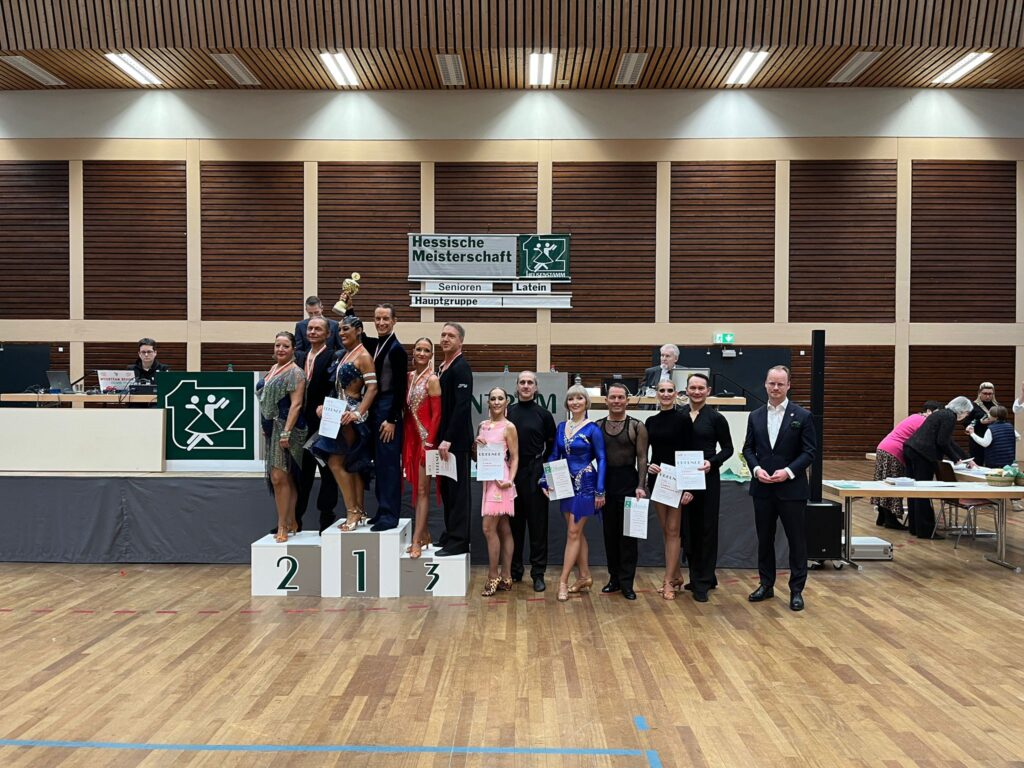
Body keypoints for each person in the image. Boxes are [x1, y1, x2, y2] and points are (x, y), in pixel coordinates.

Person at [742, 365, 817, 612]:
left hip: (792, 489)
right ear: (765, 384)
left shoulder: (803, 416)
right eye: (771, 383)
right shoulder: (755, 416)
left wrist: (788, 471)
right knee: (765, 539)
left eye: (780, 384)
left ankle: (796, 590)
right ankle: (766, 585)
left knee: (797, 540)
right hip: (762, 489)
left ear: (788, 386)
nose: (775, 388)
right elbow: (748, 449)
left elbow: (809, 452)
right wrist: (756, 470)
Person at [311, 315, 377, 531]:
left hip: (350, 415)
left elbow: (372, 389)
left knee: (336, 462)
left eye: (346, 329)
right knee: (351, 463)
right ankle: (359, 510)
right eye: (339, 329)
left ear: (358, 330)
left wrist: (358, 413)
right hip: (337, 411)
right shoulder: (344, 354)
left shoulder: (364, 356)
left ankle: (352, 511)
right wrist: (324, 406)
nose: (341, 333)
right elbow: (336, 388)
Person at [542, 384, 606, 603]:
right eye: (571, 399)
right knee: (576, 534)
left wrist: (600, 490)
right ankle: (585, 576)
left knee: (572, 532)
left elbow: (602, 459)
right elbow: (554, 455)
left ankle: (563, 581)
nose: (575, 402)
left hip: (586, 484)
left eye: (579, 398)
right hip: (564, 484)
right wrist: (545, 479)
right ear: (566, 403)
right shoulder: (562, 426)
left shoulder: (593, 429)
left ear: (586, 402)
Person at [682, 372, 734, 603]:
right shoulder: (679, 415)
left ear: (708, 391)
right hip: (684, 478)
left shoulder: (716, 418)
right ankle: (701, 576)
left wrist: (712, 463)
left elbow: (728, 449)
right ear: (686, 390)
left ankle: (702, 581)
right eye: (692, 388)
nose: (696, 392)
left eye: (700, 388)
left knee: (706, 529)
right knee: (688, 528)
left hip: (707, 479)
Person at [595, 382, 647, 601]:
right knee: (610, 535)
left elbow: (642, 458)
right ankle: (614, 578)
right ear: (606, 400)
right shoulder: (597, 426)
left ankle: (627, 583)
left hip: (629, 485)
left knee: (628, 537)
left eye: (620, 397)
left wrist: (641, 486)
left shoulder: (637, 426)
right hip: (606, 486)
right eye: (613, 397)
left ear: (627, 400)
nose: (616, 401)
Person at [645, 379, 695, 601]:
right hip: (658, 480)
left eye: (669, 391)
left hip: (677, 480)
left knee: (674, 530)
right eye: (662, 390)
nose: (665, 394)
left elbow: (690, 453)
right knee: (666, 529)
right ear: (657, 393)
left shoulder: (684, 420)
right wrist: (648, 465)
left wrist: (688, 486)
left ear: (676, 394)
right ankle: (676, 576)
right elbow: (643, 453)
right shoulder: (650, 421)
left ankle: (667, 581)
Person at [507, 370, 556, 592]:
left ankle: (538, 574)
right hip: (512, 474)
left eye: (530, 383)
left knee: (538, 527)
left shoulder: (544, 415)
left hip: (536, 474)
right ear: (517, 387)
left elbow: (552, 447)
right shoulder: (508, 413)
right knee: (514, 526)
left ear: (536, 388)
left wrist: (543, 471)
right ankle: (515, 570)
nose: (526, 386)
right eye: (522, 382)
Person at [256, 332, 307, 543]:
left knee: (279, 478)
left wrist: (286, 431)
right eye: (277, 345)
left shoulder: (296, 372)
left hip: (288, 429)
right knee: (284, 478)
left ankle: (282, 525)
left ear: (293, 349)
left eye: (285, 346)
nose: (280, 349)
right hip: (272, 428)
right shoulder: (273, 369)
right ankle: (291, 521)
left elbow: (296, 404)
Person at [362, 303, 408, 532]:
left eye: (385, 319)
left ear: (394, 321)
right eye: (377, 319)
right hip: (376, 408)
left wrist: (392, 420)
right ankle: (382, 509)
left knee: (389, 464)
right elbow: (359, 336)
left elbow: (400, 388)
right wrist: (349, 307)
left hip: (388, 409)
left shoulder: (397, 350)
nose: (381, 323)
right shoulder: (377, 344)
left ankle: (390, 516)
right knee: (380, 463)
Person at [902, 396, 974, 539]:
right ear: (962, 410)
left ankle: (915, 527)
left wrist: (966, 458)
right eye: (967, 413)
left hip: (911, 449)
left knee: (914, 491)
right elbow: (942, 442)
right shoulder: (950, 417)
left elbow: (949, 442)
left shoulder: (941, 413)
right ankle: (925, 530)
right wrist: (956, 459)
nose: (965, 416)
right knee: (923, 492)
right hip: (922, 454)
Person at [293, 316, 339, 533]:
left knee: (327, 471)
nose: (312, 332)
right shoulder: (300, 357)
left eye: (318, 329)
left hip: (323, 423)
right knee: (302, 474)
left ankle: (326, 518)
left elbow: (335, 387)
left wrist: (326, 406)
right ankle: (295, 519)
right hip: (301, 424)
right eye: (310, 328)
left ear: (328, 334)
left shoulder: (332, 357)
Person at [871, 400, 943, 529]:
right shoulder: (924, 421)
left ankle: (882, 516)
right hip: (895, 451)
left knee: (884, 483)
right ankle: (890, 520)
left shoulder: (914, 417)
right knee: (894, 485)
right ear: (928, 411)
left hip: (884, 447)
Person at [475, 387, 519, 596]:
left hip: (501, 481)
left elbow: (515, 456)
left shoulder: (509, 427)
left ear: (506, 402)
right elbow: (477, 455)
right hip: (487, 478)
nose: (496, 401)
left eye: (500, 398)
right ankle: (507, 577)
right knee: (503, 527)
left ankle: (494, 576)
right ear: (488, 402)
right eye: (493, 398)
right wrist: (476, 445)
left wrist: (509, 481)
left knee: (488, 528)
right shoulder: (482, 426)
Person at [436, 322, 474, 557]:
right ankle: (451, 533)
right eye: (443, 335)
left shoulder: (461, 368)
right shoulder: (442, 367)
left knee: (458, 492)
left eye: (451, 335)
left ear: (461, 341)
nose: (445, 339)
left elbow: (462, 406)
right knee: (447, 490)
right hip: (443, 440)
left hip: (456, 443)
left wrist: (449, 438)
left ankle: (460, 540)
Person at [403, 337, 441, 558]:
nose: (422, 353)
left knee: (422, 490)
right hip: (410, 438)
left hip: (426, 440)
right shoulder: (409, 377)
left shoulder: (432, 379)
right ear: (413, 351)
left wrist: (429, 443)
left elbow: (437, 415)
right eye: (418, 349)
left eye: (426, 350)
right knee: (415, 488)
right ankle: (424, 534)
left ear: (431, 355)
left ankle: (417, 540)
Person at [966, 382, 1000, 464]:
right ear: (979, 393)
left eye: (990, 394)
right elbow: (966, 422)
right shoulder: (972, 406)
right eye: (985, 393)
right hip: (977, 440)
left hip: (994, 440)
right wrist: (980, 422)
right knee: (977, 464)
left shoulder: (997, 406)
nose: (987, 396)